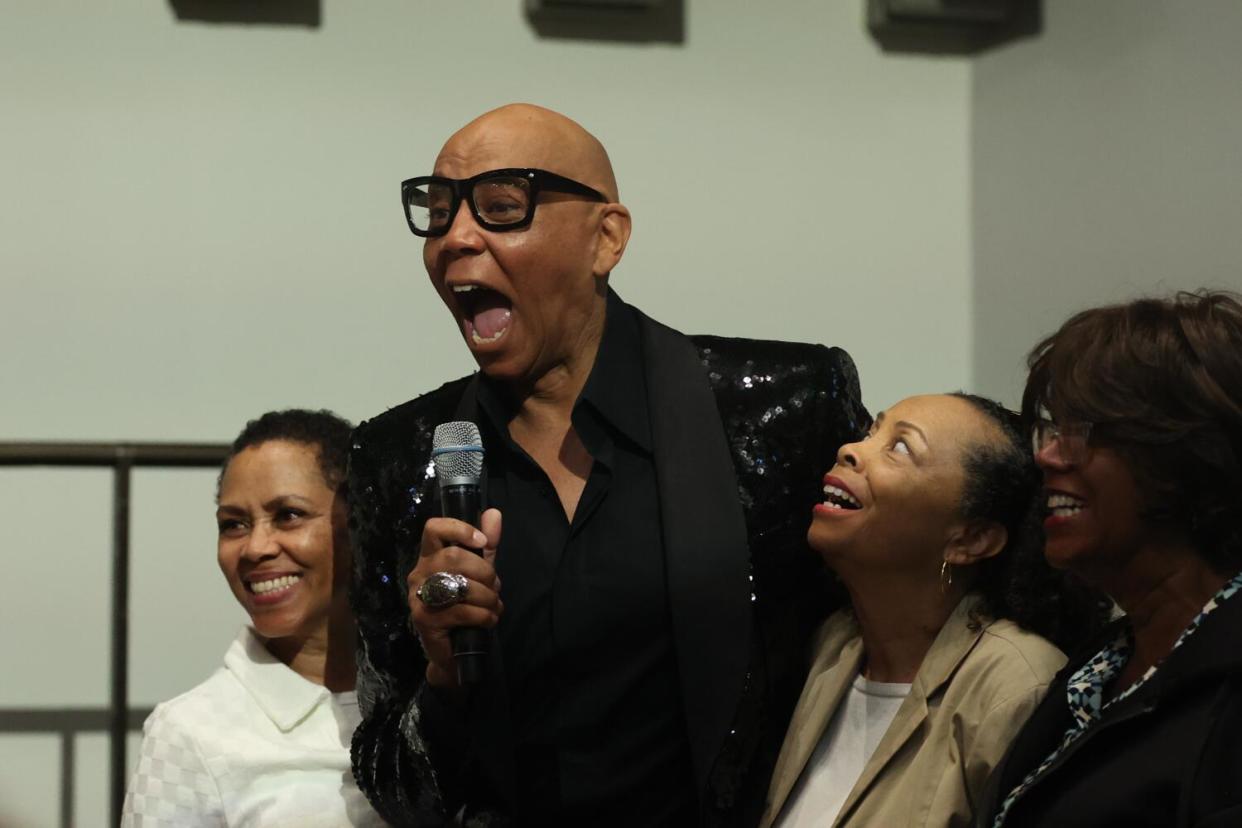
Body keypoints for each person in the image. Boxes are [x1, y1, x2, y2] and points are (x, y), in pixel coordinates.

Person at [346, 103, 869, 826]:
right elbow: (392, 784)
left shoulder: (782, 408)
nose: (455, 238)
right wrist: (442, 677)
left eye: (501, 208)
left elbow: (888, 653)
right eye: (436, 214)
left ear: (607, 238)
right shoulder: (399, 458)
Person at [761, 393, 1105, 828]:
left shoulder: (1015, 685)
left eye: (900, 447)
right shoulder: (833, 645)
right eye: (872, 432)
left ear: (971, 539)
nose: (850, 450)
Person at [982, 290, 1242, 827]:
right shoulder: (1100, 664)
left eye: (1081, 431)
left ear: (1186, 454)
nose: (1048, 456)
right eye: (1052, 429)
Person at [122, 409, 384, 827]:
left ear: (360, 522)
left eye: (289, 515)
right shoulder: (189, 734)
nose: (255, 547)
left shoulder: (431, 695)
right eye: (234, 525)